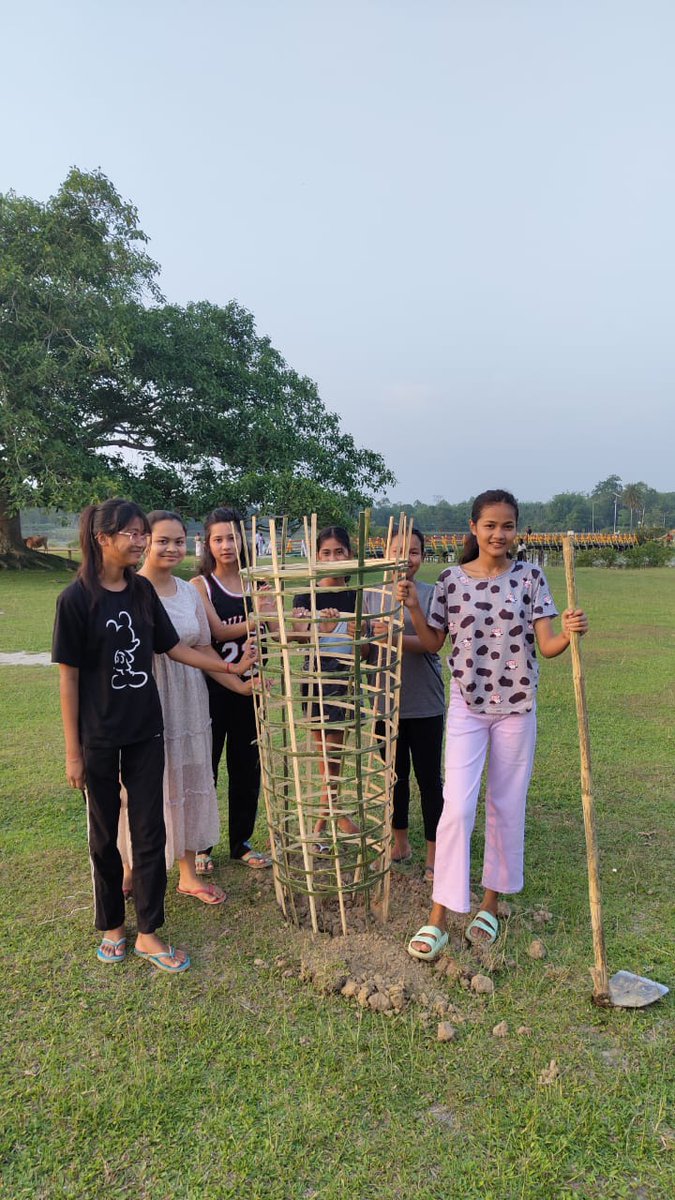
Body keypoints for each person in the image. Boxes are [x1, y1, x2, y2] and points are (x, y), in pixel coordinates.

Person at [52, 499, 241, 972]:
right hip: (98, 737)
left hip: (145, 732)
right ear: (103, 539)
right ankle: (113, 928)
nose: (140, 542)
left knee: (149, 830)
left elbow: (175, 648)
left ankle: (149, 933)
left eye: (142, 534)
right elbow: (69, 678)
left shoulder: (140, 592)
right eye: (132, 534)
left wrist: (227, 666)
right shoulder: (74, 600)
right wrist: (73, 752)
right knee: (102, 835)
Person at [399, 490, 588, 961]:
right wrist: (417, 610)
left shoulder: (530, 577)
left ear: (516, 530)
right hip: (467, 705)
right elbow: (434, 642)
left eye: (507, 526)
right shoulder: (450, 580)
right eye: (490, 526)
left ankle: (490, 902)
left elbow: (546, 646)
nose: (499, 534)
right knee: (456, 809)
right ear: (473, 528)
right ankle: (440, 913)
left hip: (517, 707)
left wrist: (568, 631)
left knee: (506, 804)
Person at [118, 511, 255, 905]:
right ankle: (129, 866)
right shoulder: (129, 589)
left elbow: (202, 647)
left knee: (190, 777)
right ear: (144, 540)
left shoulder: (189, 591)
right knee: (140, 784)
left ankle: (188, 873)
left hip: (190, 698)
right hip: (145, 697)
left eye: (179, 541)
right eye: (162, 540)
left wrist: (239, 684)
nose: (171, 548)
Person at [191, 507, 272, 871]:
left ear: (245, 538)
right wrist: (264, 615)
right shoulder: (200, 586)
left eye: (232, 537)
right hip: (213, 690)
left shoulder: (260, 582)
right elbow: (219, 632)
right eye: (218, 538)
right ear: (208, 543)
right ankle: (202, 847)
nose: (226, 545)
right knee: (206, 767)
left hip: (254, 689)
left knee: (246, 767)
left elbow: (278, 630)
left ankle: (240, 843)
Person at [368, 528, 444, 880]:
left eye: (413, 552)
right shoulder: (372, 597)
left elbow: (432, 643)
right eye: (398, 550)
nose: (405, 557)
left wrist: (396, 634)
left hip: (425, 702)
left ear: (422, 557)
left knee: (429, 781)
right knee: (394, 778)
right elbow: (367, 651)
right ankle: (400, 842)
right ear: (384, 553)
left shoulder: (432, 594)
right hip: (385, 703)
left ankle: (434, 853)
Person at [292, 526, 364, 850]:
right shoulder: (305, 595)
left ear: (349, 554)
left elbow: (364, 651)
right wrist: (320, 625)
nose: (333, 558)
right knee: (324, 751)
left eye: (339, 552)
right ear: (317, 557)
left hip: (344, 675)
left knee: (334, 752)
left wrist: (354, 633)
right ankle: (333, 814)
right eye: (326, 553)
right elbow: (300, 638)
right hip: (316, 676)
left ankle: (323, 821)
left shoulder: (356, 595)